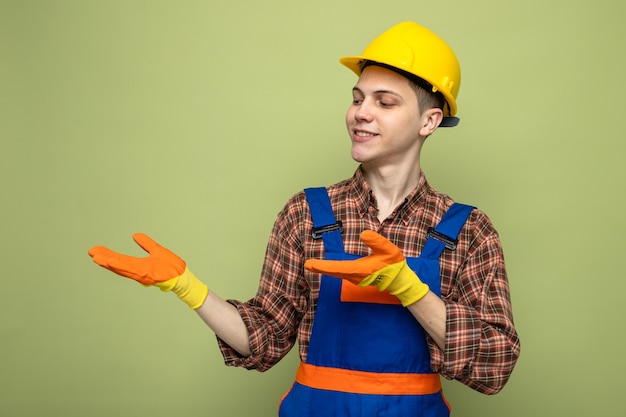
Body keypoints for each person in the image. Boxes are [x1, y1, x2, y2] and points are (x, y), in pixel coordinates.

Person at [88, 21, 520, 416]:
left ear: (430, 120)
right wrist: (189, 288)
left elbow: (496, 365)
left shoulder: (467, 230)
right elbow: (263, 338)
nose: (361, 113)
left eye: (384, 102)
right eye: (357, 98)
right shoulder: (307, 214)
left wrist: (409, 288)